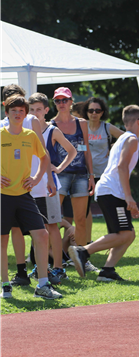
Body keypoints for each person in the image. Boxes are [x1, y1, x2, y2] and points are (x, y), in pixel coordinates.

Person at [68, 105, 139, 282]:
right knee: (125, 234)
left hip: (108, 191)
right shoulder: (131, 139)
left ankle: (107, 271)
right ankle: (83, 251)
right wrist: (128, 197)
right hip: (112, 192)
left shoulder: (122, 139)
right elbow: (121, 167)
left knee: (127, 235)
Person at [0, 94, 62, 299]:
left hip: (25, 194)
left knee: (42, 235)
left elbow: (45, 158)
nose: (17, 114)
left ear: (25, 113)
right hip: (3, 196)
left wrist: (36, 179)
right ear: (6, 112)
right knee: (2, 240)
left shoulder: (30, 135)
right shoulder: (0, 134)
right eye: (13, 111)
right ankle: (6, 286)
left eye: (21, 111)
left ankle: (43, 285)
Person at [28, 92, 77, 280]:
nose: (34, 113)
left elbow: (71, 151)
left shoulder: (52, 131)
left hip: (49, 186)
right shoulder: (25, 130)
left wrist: (60, 168)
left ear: (46, 110)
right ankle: (42, 267)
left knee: (52, 226)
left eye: (38, 109)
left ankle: (58, 267)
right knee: (37, 227)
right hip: (31, 185)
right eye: (31, 109)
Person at [50, 87, 98, 272]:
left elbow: (86, 151)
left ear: (71, 102)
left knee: (81, 219)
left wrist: (91, 176)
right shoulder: (50, 124)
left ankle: (82, 258)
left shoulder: (82, 123)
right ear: (54, 103)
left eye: (64, 100)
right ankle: (50, 260)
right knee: (52, 219)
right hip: (58, 176)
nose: (61, 104)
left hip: (80, 174)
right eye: (58, 101)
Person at [82, 97, 124, 244]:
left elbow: (126, 138)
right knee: (84, 211)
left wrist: (113, 149)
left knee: (109, 209)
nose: (94, 113)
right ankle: (87, 242)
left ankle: (114, 240)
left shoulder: (107, 127)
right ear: (86, 112)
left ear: (102, 112)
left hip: (105, 175)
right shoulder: (81, 126)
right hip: (86, 175)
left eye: (97, 110)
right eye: (91, 110)